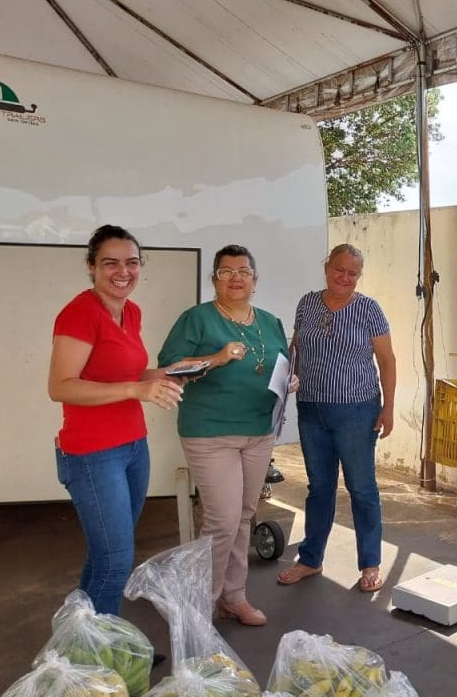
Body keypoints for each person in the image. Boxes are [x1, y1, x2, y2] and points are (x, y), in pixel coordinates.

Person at [48, 225, 192, 616]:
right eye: (110, 263)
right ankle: (101, 656)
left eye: (132, 262)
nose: (122, 271)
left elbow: (124, 372)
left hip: (131, 447)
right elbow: (61, 386)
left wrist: (162, 373)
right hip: (93, 454)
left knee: (106, 554)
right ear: (91, 266)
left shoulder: (131, 311)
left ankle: (83, 642)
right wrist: (135, 391)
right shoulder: (80, 314)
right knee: (115, 560)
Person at [157, 244, 297, 626]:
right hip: (210, 431)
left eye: (243, 271)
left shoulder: (270, 321)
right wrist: (217, 358)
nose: (235, 277)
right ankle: (201, 601)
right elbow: (169, 369)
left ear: (255, 279)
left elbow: (277, 364)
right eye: (226, 271)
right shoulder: (197, 319)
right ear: (214, 278)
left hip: (258, 430)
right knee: (222, 519)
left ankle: (233, 596)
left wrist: (289, 381)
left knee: (243, 516)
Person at [277, 243, 396, 593]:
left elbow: (387, 360)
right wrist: (286, 383)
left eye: (352, 273)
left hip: (357, 411)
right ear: (326, 266)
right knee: (319, 488)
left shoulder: (369, 309)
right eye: (339, 269)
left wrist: (388, 408)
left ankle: (370, 563)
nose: (344, 277)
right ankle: (311, 559)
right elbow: (296, 347)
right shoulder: (307, 303)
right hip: (312, 408)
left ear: (358, 276)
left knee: (361, 488)